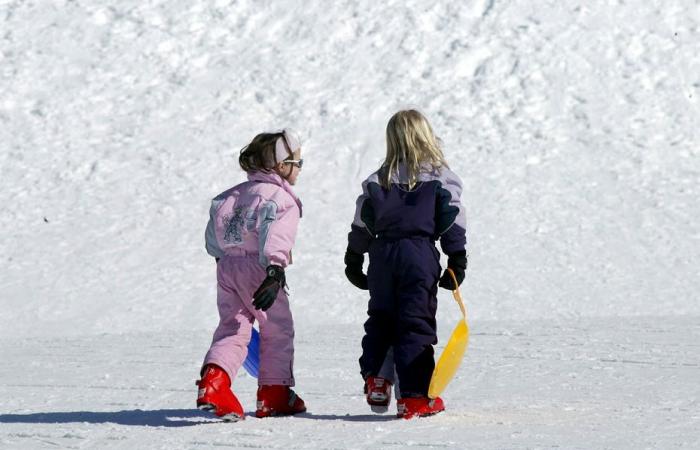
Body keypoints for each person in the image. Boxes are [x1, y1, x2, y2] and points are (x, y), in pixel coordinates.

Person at [344, 110, 468, 419]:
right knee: (414, 322)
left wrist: (354, 257)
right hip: (419, 255)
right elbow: (452, 219)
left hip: (382, 255)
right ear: (426, 136)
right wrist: (456, 259)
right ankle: (413, 396)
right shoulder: (440, 177)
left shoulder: (378, 179)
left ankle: (377, 378)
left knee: (382, 319)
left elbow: (363, 220)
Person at [196, 129, 306, 421]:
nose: (299, 170)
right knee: (276, 329)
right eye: (298, 163)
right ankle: (274, 394)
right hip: (261, 269)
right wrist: (274, 270)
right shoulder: (280, 198)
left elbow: (212, 241)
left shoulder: (228, 197)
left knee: (233, 327)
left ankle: (213, 384)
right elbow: (276, 236)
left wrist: (228, 263)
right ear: (281, 166)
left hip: (227, 268)